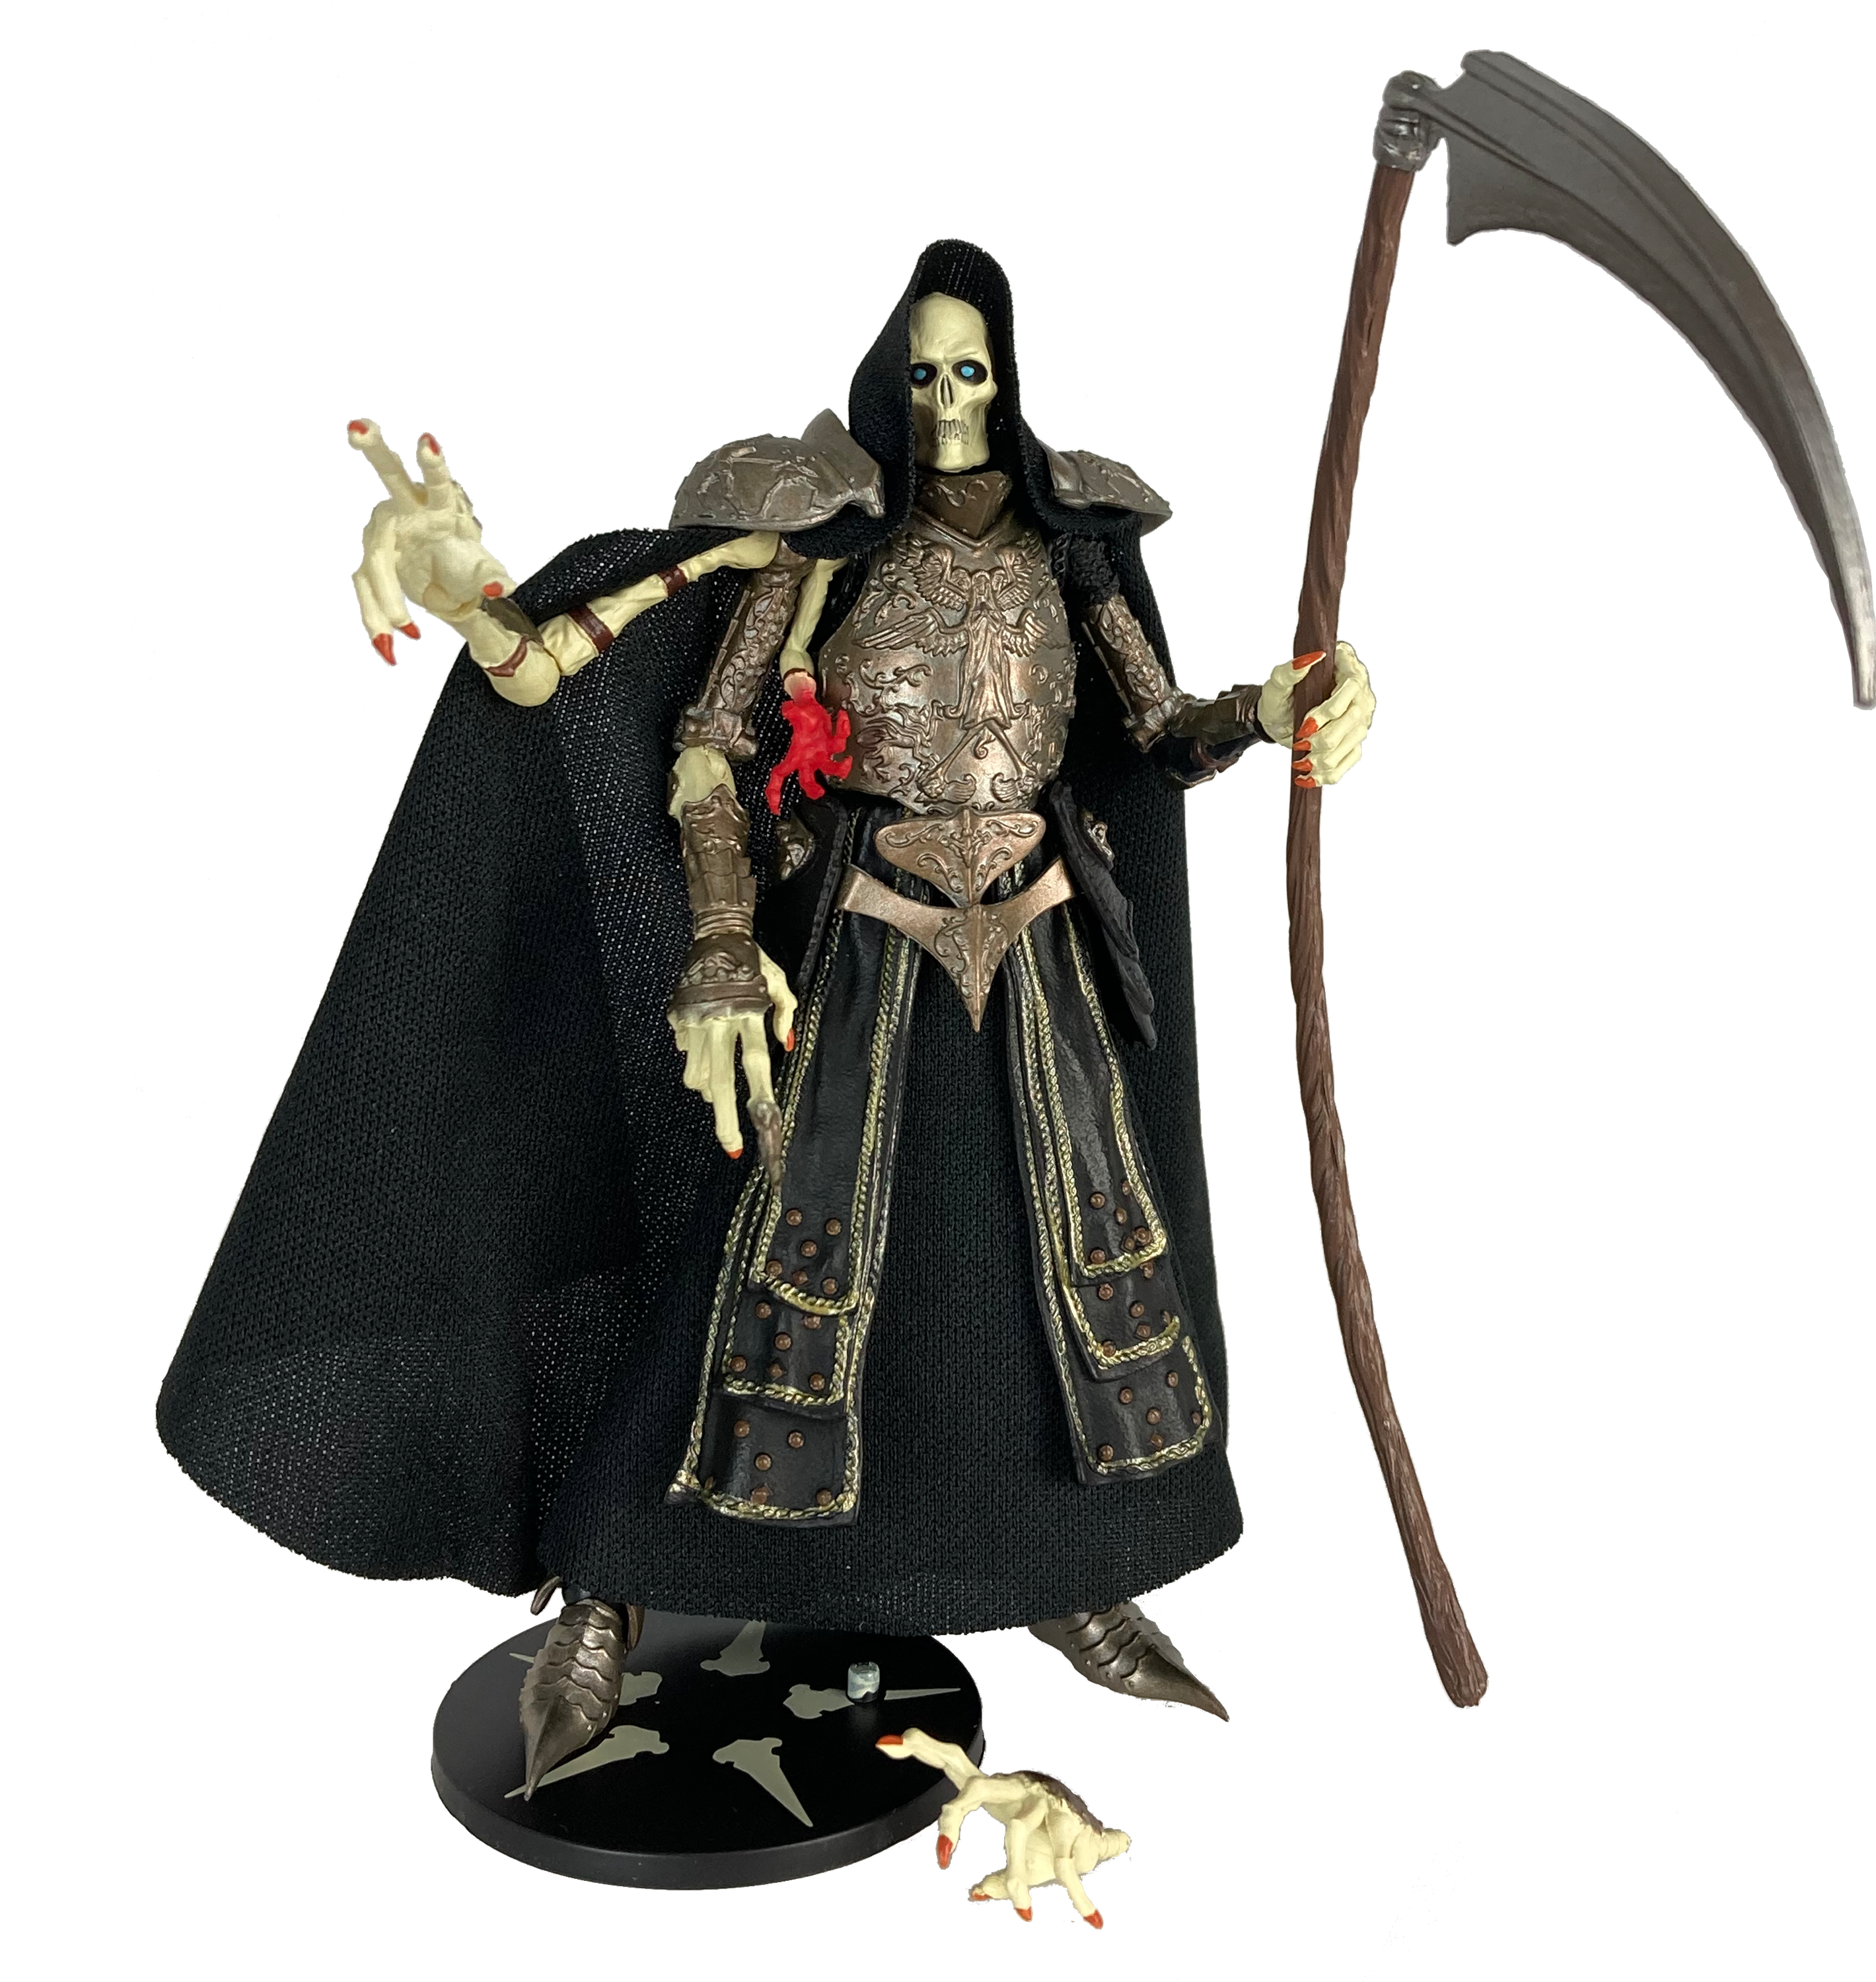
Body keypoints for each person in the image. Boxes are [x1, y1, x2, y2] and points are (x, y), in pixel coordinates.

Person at [159, 240, 1375, 1791]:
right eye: (925, 372)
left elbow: (1157, 733)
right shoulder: (814, 539)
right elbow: (709, 747)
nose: (948, 402)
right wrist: (726, 951)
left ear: (1007, 378)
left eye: (973, 372)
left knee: (1048, 1261)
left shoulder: (1075, 544)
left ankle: (1070, 1568)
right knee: (769, 1270)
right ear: (890, 377)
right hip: (864, 942)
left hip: (1038, 947)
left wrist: (1282, 708)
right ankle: (608, 1587)